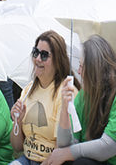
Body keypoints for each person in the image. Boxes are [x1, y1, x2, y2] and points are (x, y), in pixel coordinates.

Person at [45, 35, 116, 165]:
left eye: (82, 66)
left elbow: (107, 147)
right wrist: (65, 109)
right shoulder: (83, 96)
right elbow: (64, 145)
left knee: (79, 162)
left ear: (95, 69)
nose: (79, 71)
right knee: (67, 160)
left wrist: (66, 153)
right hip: (96, 161)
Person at [9, 31, 78, 165]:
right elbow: (17, 147)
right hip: (27, 159)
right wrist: (17, 121)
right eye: (36, 52)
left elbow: (62, 147)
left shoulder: (66, 92)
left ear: (58, 60)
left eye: (44, 55)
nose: (38, 59)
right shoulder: (28, 89)